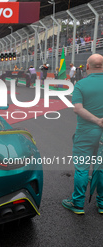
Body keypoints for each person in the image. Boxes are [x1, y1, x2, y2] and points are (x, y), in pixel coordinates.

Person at [62, 53, 103, 214]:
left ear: (87, 67)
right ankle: (101, 203)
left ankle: (78, 203)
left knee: (82, 168)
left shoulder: (80, 85)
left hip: (85, 133)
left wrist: (97, 121)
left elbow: (78, 109)